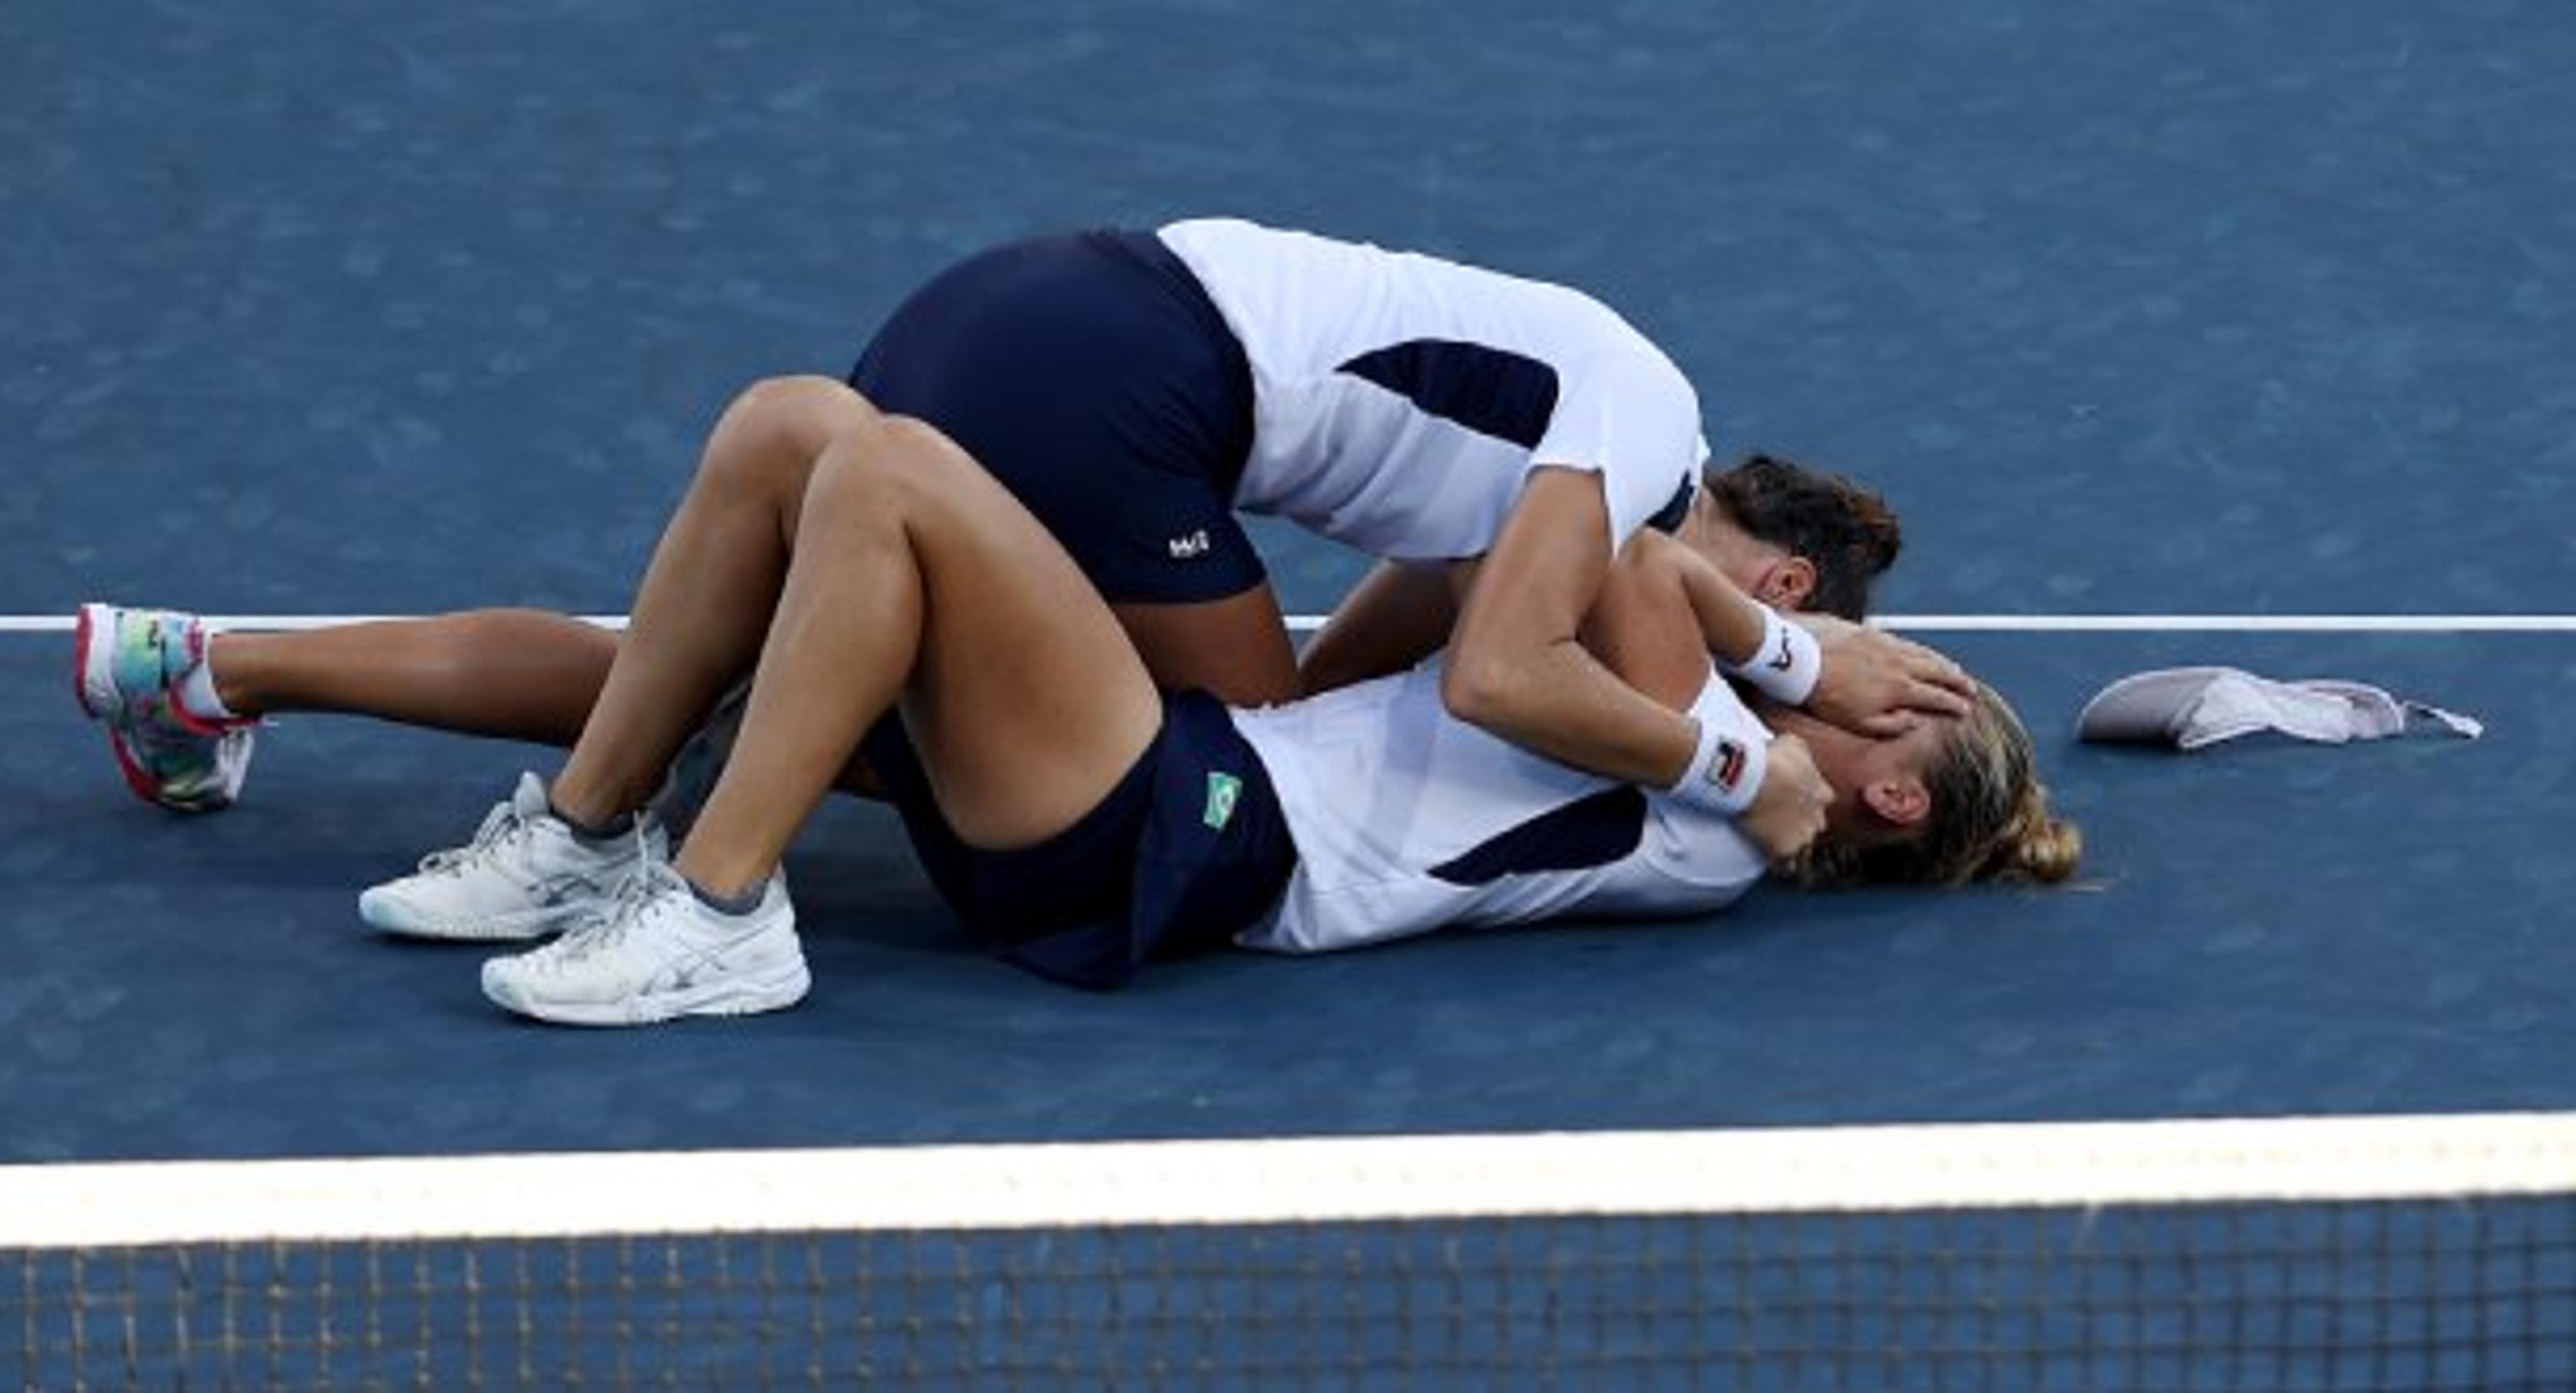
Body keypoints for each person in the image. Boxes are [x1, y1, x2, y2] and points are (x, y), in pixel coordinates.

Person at [76, 217, 1962, 813]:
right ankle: (723, 849)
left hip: (1034, 312)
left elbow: (1416, 609)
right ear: (1778, 567)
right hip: (1117, 395)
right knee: (1167, 751)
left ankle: (210, 663)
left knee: (704, 664)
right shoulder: (1637, 454)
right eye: (1784, 625)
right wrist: (1760, 742)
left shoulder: (1572, 441)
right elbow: (1498, 668)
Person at [338, 400, 2073, 1025]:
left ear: (1895, 801)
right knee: (798, 424)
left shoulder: (1736, 804)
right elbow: (1503, 548)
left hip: (1176, 840)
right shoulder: (1685, 732)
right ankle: (587, 837)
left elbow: (1609, 540)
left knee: (893, 477)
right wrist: (1481, 517)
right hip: (1157, 787)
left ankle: (717, 915)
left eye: (1911, 697)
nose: (1880, 667)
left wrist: (1791, 663)